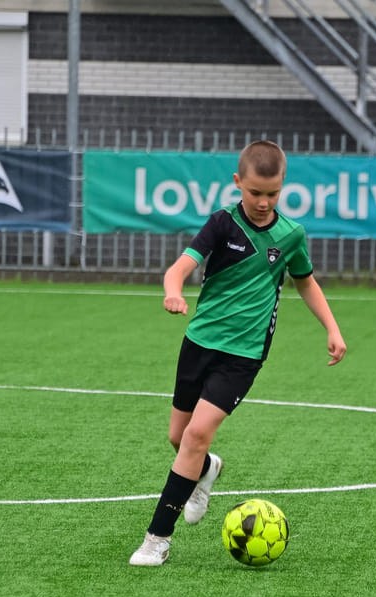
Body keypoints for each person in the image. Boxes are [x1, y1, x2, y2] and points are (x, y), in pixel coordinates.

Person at [130, 140, 347, 566]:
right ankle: (207, 470)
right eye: (255, 193)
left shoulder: (291, 234)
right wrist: (173, 292)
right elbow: (180, 267)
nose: (264, 202)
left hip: (244, 354)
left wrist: (333, 328)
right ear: (237, 183)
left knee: (195, 435)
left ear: (283, 186)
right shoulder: (222, 223)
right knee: (178, 438)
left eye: (273, 193)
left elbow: (306, 282)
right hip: (199, 343)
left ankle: (157, 539)